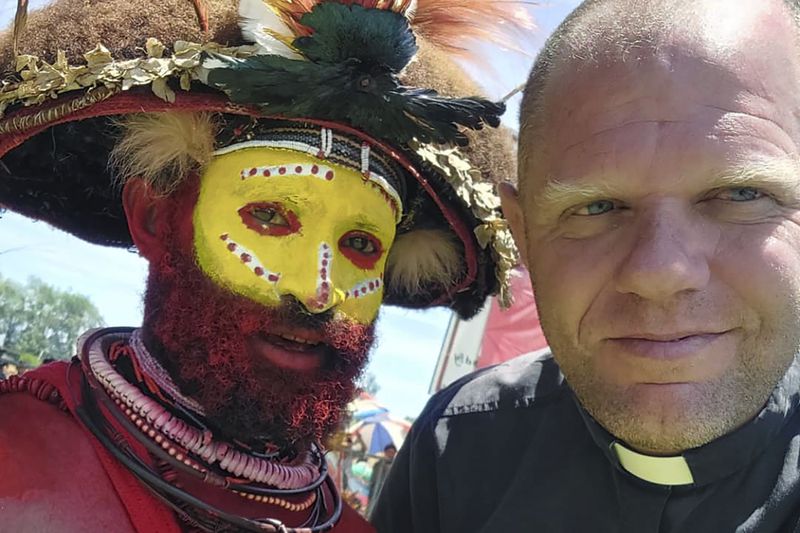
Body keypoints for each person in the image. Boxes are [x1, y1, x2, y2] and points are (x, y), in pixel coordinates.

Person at [0, 1, 524, 531]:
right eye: (271, 216)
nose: (319, 291)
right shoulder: (16, 460)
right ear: (154, 217)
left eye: (361, 245)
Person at [371, 0, 800, 531]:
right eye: (596, 207)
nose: (660, 272)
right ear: (522, 237)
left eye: (741, 193)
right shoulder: (451, 452)